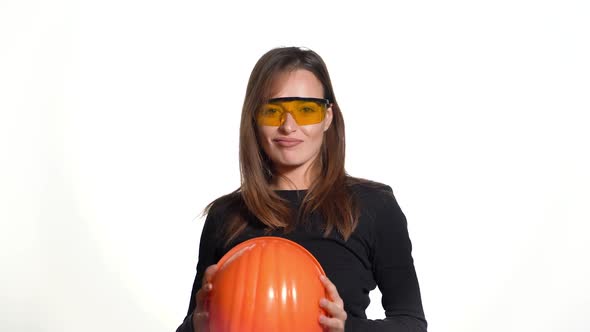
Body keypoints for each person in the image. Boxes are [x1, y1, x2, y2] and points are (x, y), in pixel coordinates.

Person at [176, 46, 427, 332]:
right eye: (273, 111)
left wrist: (347, 328)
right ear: (254, 119)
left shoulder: (375, 207)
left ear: (328, 117)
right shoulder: (226, 215)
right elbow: (191, 325)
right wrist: (197, 324)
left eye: (306, 110)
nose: (288, 126)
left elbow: (412, 324)